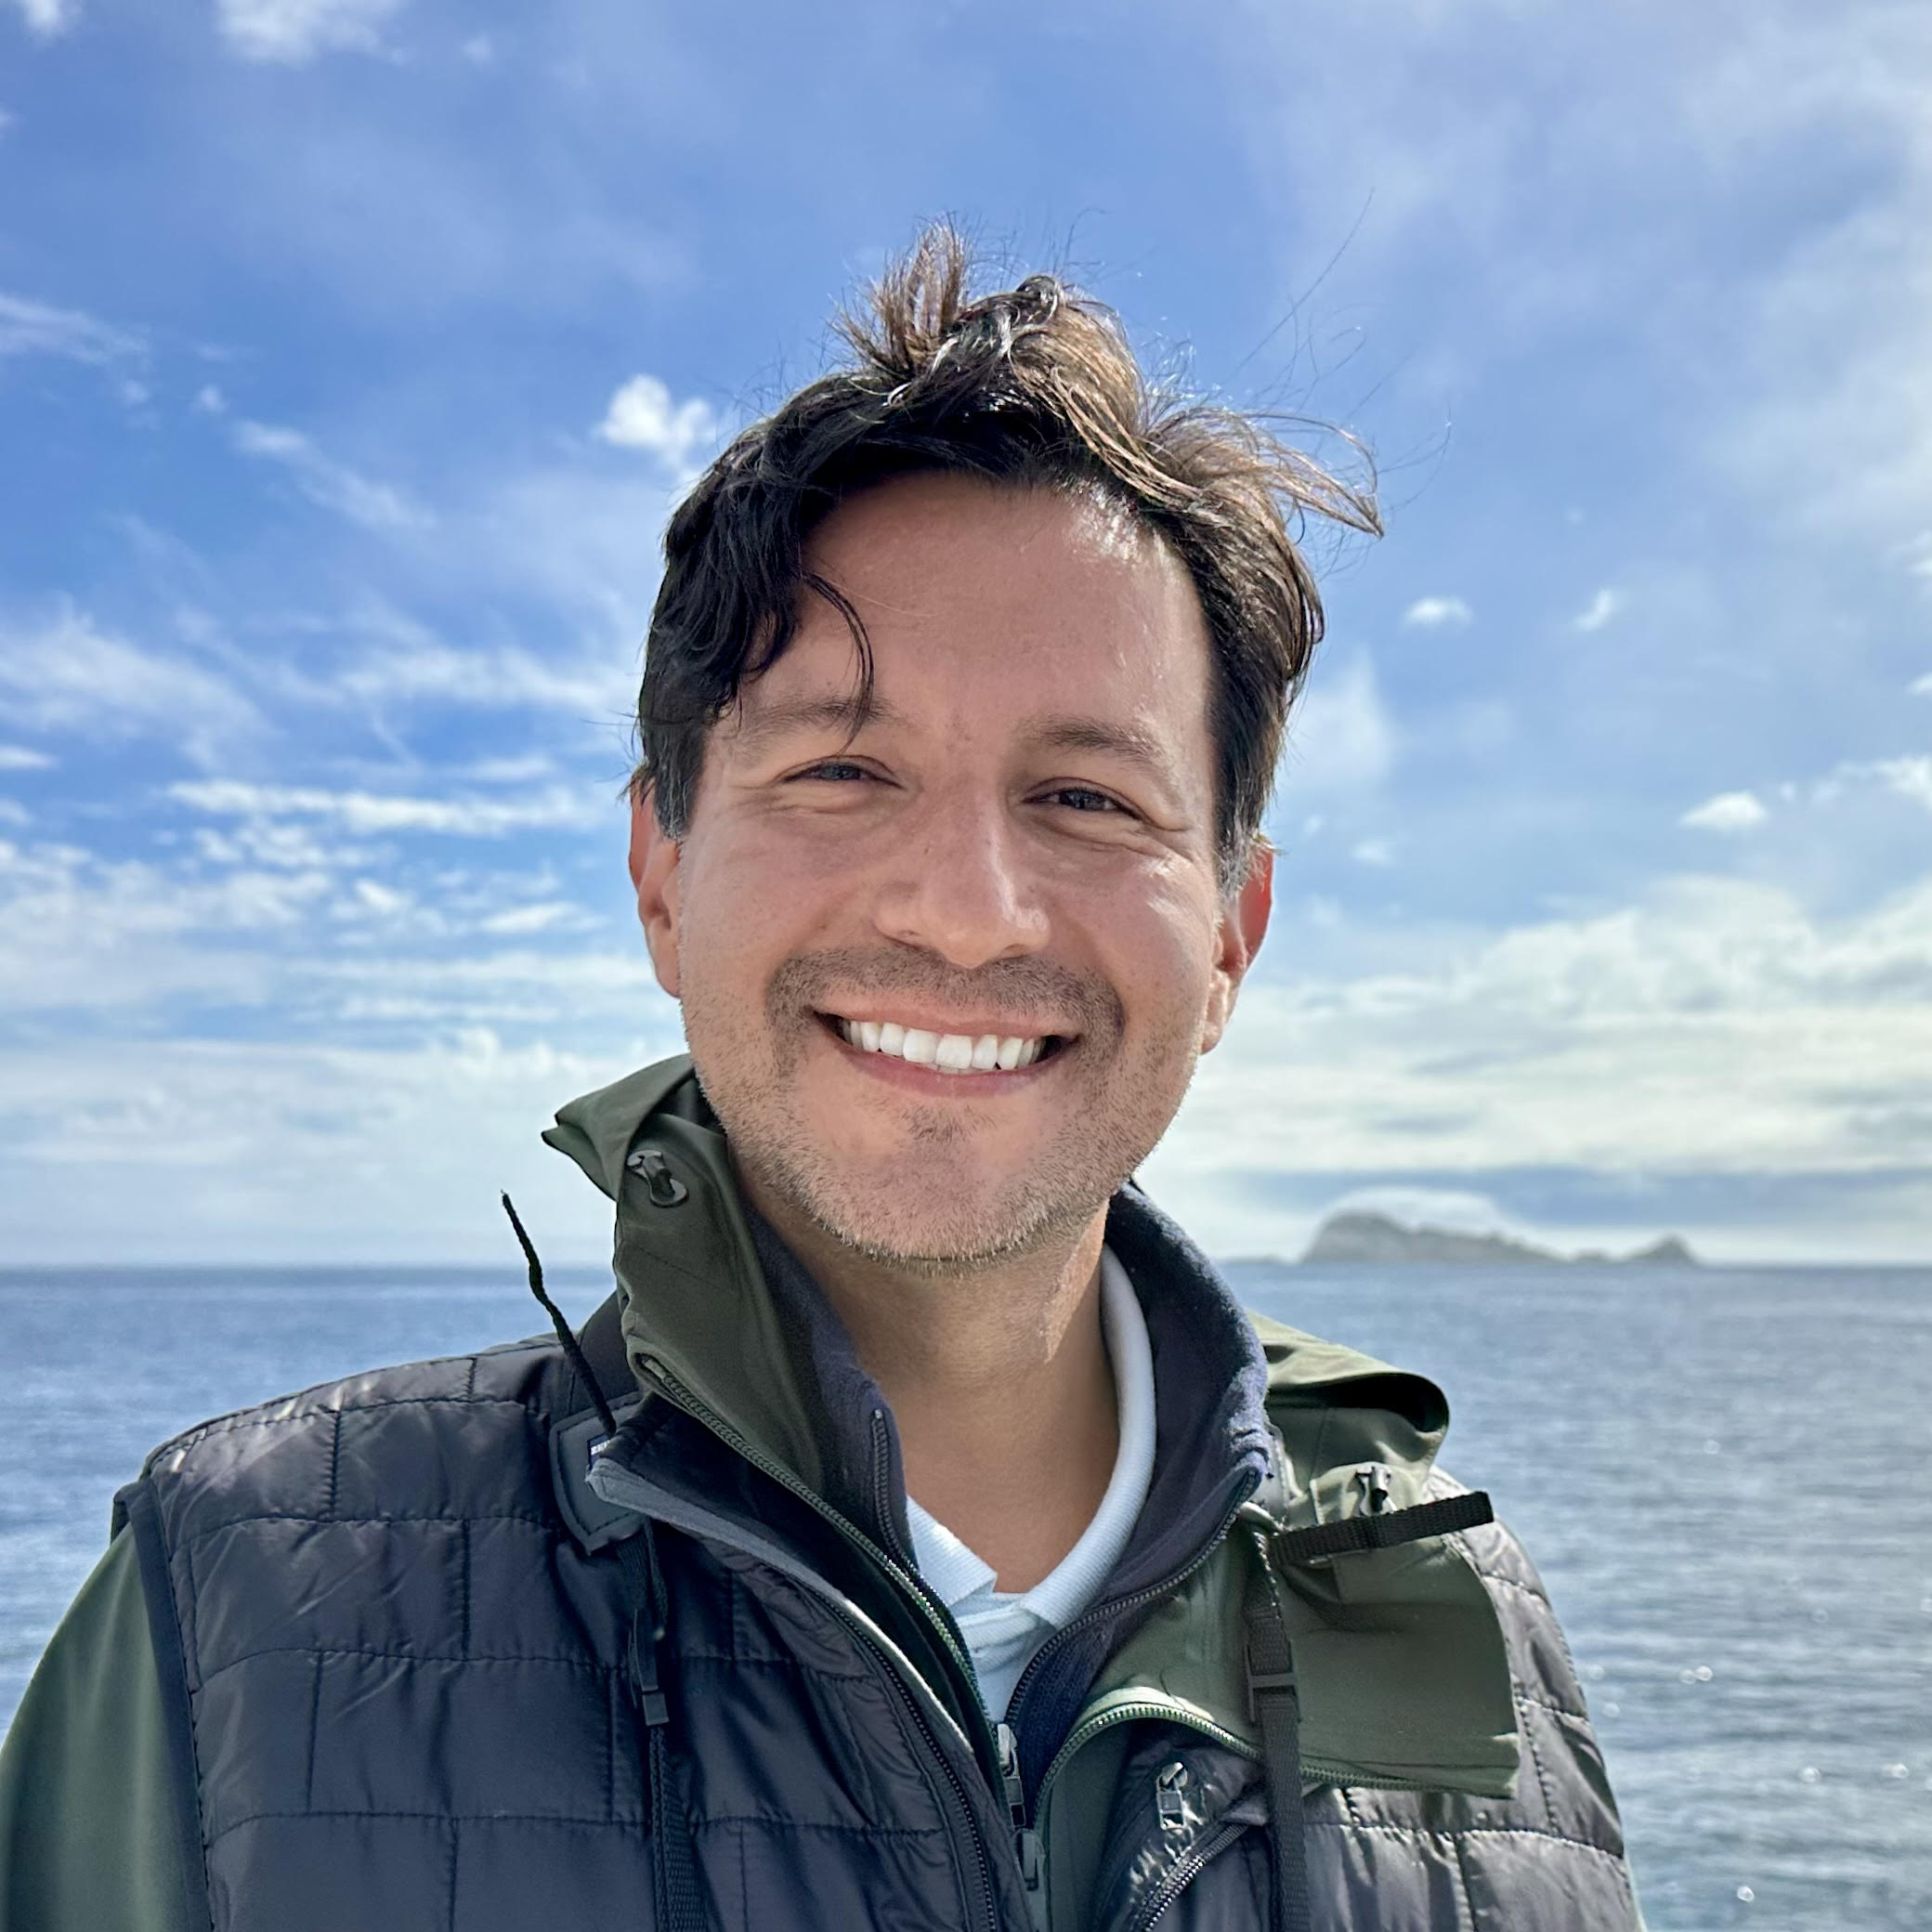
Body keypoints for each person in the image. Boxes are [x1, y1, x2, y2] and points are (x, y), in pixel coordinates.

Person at [0, 228, 1643, 1932]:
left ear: (1232, 931)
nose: (966, 908)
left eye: (1086, 798)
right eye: (845, 768)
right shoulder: (245, 1614)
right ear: (662, 873)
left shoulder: (1454, 1615)